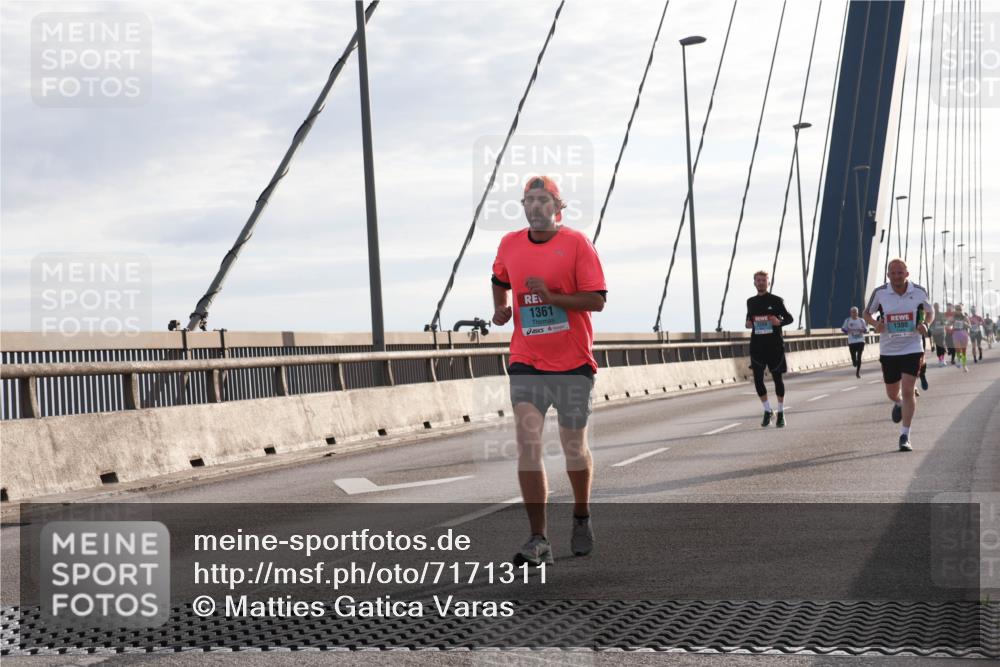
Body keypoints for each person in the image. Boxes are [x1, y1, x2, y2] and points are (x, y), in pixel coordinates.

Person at [491, 175, 607, 567]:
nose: (537, 206)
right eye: (530, 200)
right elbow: (498, 278)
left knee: (574, 445)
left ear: (559, 208)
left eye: (545, 200)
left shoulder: (576, 244)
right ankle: (538, 538)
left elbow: (597, 300)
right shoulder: (509, 244)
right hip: (526, 358)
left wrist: (553, 297)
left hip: (573, 362)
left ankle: (580, 514)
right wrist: (501, 308)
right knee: (528, 442)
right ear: (523, 207)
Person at [864, 258, 933, 451]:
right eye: (893, 273)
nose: (897, 276)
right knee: (892, 392)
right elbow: (866, 313)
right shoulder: (880, 293)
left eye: (900, 272)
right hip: (889, 349)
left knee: (909, 388)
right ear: (888, 275)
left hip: (912, 347)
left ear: (907, 274)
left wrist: (926, 324)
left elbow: (930, 311)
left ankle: (905, 435)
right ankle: (898, 402)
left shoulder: (918, 291)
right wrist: (875, 324)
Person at [745, 271, 794, 427]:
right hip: (757, 347)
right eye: (758, 280)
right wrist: (748, 323)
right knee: (758, 380)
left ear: (768, 282)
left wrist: (778, 322)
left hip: (774, 347)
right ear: (754, 283)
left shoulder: (777, 300)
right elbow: (749, 319)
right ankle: (767, 410)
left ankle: (780, 412)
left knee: (777, 379)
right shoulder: (750, 302)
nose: (760, 283)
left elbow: (789, 318)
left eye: (763, 280)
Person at [841, 306, 867, 378]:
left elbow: (865, 330)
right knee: (854, 358)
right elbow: (843, 329)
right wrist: (848, 331)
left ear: (858, 313)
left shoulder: (861, 320)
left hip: (860, 341)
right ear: (851, 313)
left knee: (859, 357)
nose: (855, 313)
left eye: (856, 312)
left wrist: (862, 330)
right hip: (852, 341)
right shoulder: (848, 320)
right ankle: (854, 362)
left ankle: (858, 372)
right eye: (853, 312)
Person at [948, 304, 971, 372]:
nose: (958, 311)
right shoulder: (953, 317)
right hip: (956, 333)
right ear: (955, 310)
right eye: (957, 309)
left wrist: (966, 324)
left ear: (962, 310)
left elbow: (970, 325)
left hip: (963, 333)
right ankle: (958, 359)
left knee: (964, 351)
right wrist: (949, 325)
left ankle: (964, 365)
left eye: (960, 309)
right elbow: (948, 324)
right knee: (957, 349)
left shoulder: (965, 317)